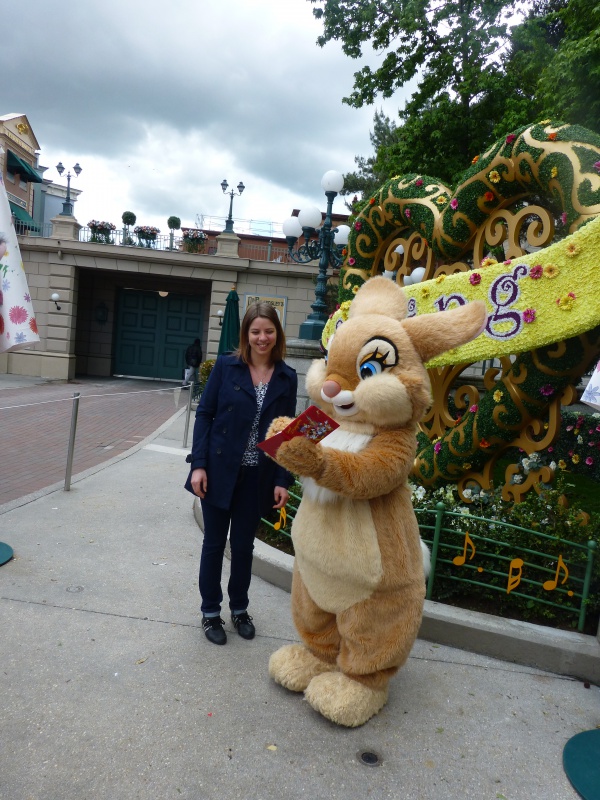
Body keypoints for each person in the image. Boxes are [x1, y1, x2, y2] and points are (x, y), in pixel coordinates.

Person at [185, 303, 297, 645]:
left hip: (256, 477)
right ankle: (209, 613)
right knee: (214, 545)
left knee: (245, 547)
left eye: (268, 331)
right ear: (246, 335)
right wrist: (198, 465)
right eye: (255, 331)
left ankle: (239, 609)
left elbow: (284, 434)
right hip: (219, 471)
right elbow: (205, 415)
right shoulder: (226, 367)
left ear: (277, 333)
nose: (262, 338)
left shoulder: (286, 376)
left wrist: (281, 480)